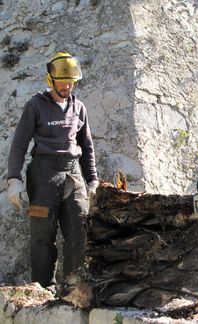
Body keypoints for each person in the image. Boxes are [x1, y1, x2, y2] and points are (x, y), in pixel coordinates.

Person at [6, 52, 98, 292]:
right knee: (41, 237)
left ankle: (72, 287)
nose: (67, 86)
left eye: (71, 82)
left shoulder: (79, 107)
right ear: (51, 79)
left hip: (73, 173)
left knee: (79, 231)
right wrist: (14, 179)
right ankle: (43, 289)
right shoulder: (35, 105)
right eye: (62, 81)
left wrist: (93, 180)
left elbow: (87, 146)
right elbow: (19, 144)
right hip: (43, 173)